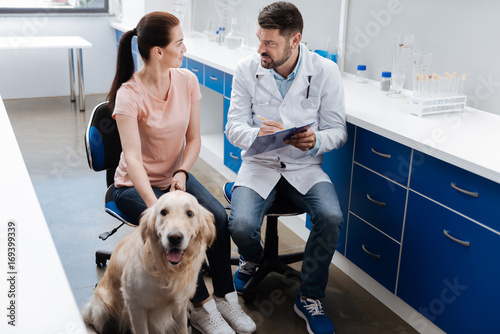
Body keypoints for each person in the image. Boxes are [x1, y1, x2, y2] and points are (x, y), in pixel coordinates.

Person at [108, 11, 256, 334]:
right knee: (174, 237)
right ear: (158, 52)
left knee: (214, 217)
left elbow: (194, 139)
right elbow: (132, 159)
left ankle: (226, 298)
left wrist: (182, 172)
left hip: (174, 178)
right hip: (134, 184)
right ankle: (201, 306)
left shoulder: (187, 81)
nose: (185, 49)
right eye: (180, 43)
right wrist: (156, 206)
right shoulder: (129, 95)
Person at [225, 2, 347, 334]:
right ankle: (252, 257)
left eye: (270, 43)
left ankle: (309, 297)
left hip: (303, 168)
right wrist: (255, 133)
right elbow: (233, 127)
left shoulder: (325, 72)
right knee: (241, 226)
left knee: (331, 216)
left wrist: (315, 141)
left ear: (295, 41)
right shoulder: (246, 68)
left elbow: (338, 131)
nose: (261, 50)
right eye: (259, 40)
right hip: (258, 163)